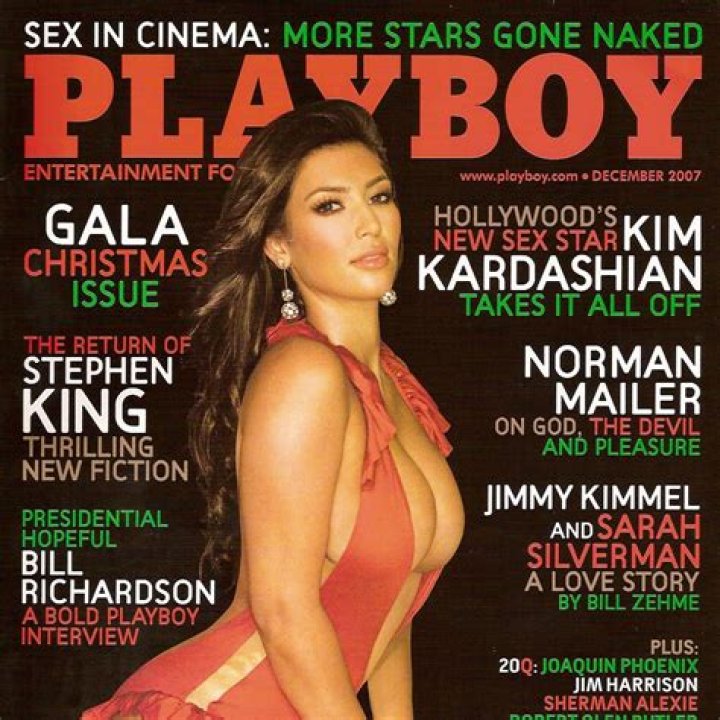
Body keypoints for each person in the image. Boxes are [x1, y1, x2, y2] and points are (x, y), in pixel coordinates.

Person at [82, 100, 464, 720]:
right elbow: (284, 611)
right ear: (280, 245)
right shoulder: (303, 374)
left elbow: (393, 605)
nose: (369, 224)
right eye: (330, 206)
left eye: (380, 197)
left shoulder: (395, 385)